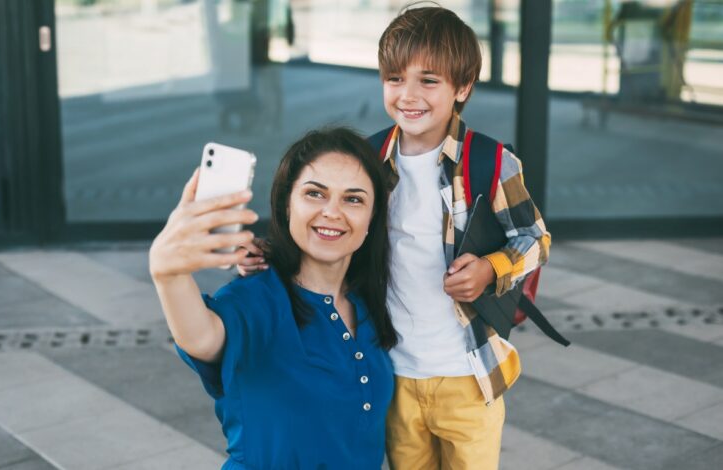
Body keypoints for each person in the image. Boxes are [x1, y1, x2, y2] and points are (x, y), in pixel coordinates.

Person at [239, 6, 551, 470]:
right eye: (394, 79)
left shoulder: (491, 161)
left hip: (469, 374)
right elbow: (330, 231)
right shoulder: (367, 161)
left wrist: (491, 268)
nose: (408, 95)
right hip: (394, 373)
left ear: (461, 88)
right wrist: (271, 254)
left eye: (428, 81)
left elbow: (535, 238)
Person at [149, 128, 398, 470]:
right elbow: (201, 337)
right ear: (286, 204)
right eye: (315, 194)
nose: (332, 212)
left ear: (372, 217)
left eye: (353, 199)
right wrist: (168, 274)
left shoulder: (368, 300)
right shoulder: (254, 300)